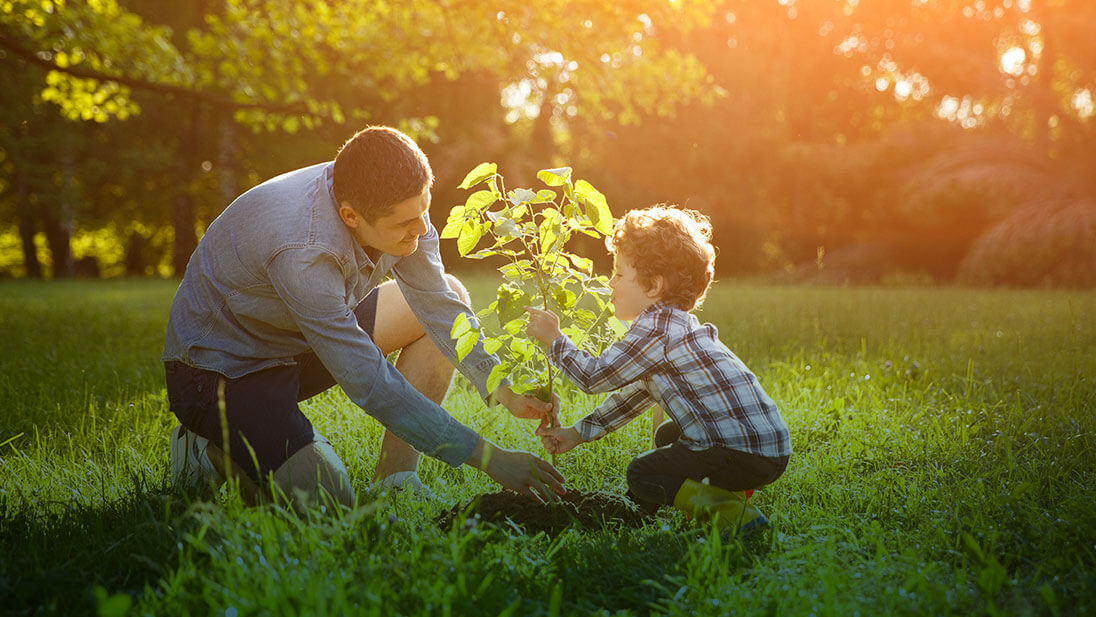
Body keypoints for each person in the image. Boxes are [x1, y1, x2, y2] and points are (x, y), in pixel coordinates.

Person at [163, 125, 564, 509]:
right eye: (406, 223)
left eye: (424, 209)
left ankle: (396, 481)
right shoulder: (303, 250)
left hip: (300, 338)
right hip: (222, 372)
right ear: (351, 216)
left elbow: (440, 306)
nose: (423, 229)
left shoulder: (393, 205)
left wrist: (503, 388)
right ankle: (205, 448)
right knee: (328, 503)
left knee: (453, 293)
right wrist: (489, 458)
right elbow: (370, 381)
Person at [526, 205, 791, 533]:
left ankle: (735, 518)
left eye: (620, 273)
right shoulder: (674, 327)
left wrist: (554, 339)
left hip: (741, 453)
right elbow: (634, 398)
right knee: (667, 436)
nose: (610, 282)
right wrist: (578, 433)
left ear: (652, 285)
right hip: (767, 449)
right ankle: (636, 514)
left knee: (643, 473)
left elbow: (593, 377)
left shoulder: (655, 329)